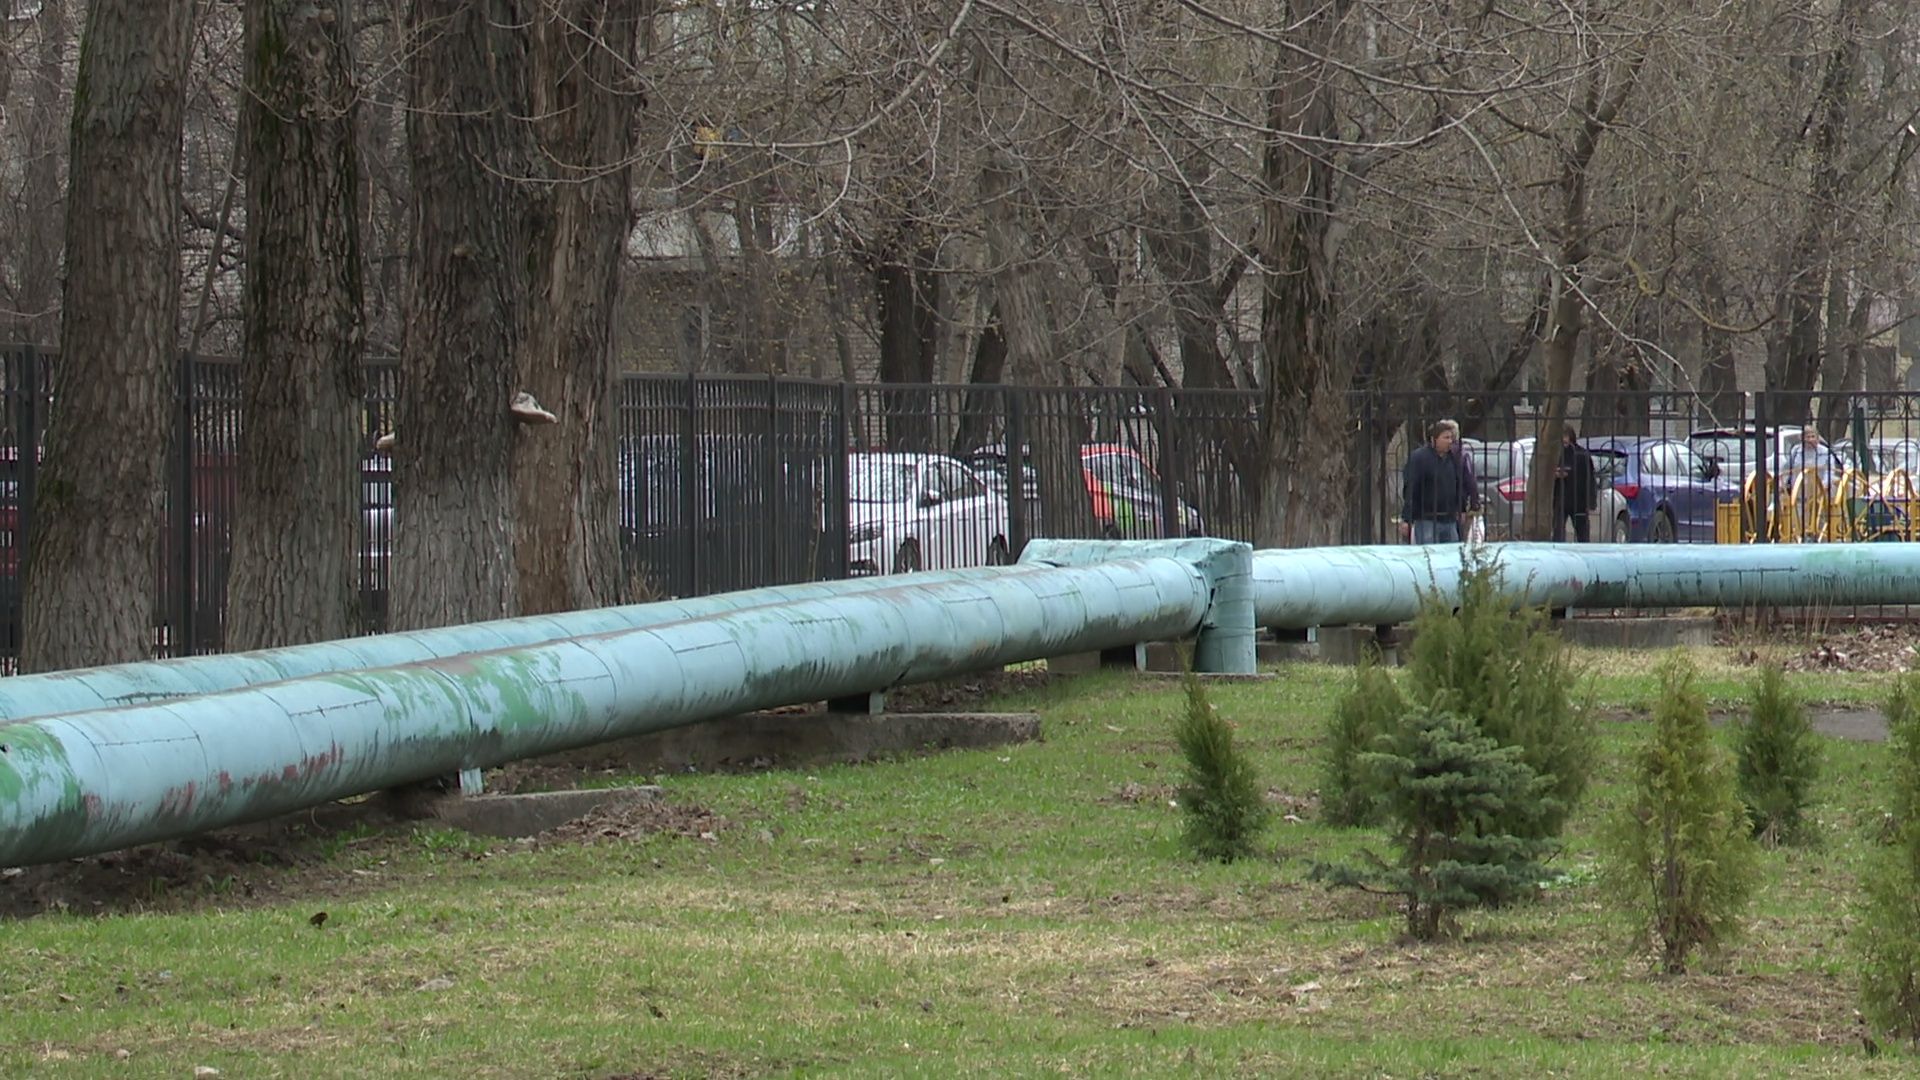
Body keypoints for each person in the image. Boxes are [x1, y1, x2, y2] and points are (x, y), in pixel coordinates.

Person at [1399, 419, 1466, 544]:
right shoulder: (1420, 458)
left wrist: (1461, 508)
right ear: (1433, 439)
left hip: (1449, 519)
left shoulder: (1453, 458)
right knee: (1429, 556)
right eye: (1446, 438)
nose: (1450, 441)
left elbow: (1458, 484)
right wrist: (1407, 518)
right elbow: (1411, 488)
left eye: (1451, 438)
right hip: (1427, 519)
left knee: (1452, 556)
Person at [1552, 425, 1598, 543]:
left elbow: (1590, 478)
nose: (1564, 440)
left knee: (1582, 533)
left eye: (1566, 436)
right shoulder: (1556, 454)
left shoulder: (1582, 455)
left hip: (1579, 500)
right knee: (1558, 532)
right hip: (1560, 499)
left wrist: (1591, 501)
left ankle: (1584, 551)